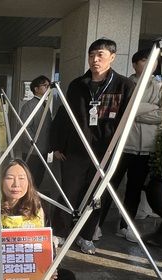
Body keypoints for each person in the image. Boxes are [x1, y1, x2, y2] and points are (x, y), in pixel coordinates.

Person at [49, 38, 135, 255]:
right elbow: (65, 117)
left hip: (105, 152)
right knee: (68, 191)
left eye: (100, 55)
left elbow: (126, 120)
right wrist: (58, 145)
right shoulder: (77, 85)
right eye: (92, 55)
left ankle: (86, 236)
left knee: (96, 196)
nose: (95, 60)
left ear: (112, 58)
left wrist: (115, 151)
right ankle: (59, 231)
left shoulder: (124, 86)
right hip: (76, 151)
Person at [98, 48, 162, 242]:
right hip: (122, 146)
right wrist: (152, 107)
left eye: (154, 61)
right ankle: (95, 224)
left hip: (146, 148)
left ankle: (126, 226)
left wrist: (134, 111)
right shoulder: (123, 85)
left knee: (134, 189)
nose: (151, 64)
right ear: (135, 64)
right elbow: (116, 111)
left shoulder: (161, 87)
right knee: (108, 186)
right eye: (145, 60)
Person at [18, 75, 52, 187]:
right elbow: (24, 128)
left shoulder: (45, 103)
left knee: (39, 178)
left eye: (48, 86)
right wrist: (33, 144)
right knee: (31, 178)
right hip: (32, 150)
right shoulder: (29, 106)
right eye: (44, 85)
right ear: (36, 89)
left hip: (44, 148)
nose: (48, 88)